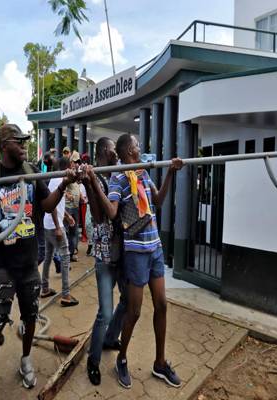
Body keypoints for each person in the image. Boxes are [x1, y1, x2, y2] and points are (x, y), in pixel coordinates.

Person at [0, 124, 78, 399]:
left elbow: (48, 205)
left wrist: (64, 184)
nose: (24, 146)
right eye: (19, 142)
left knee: (30, 317)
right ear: (5, 145)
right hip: (1, 264)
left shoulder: (30, 172)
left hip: (29, 263)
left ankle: (26, 358)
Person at [89, 133, 183, 389]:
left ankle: (160, 363)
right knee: (135, 311)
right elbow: (110, 212)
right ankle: (121, 358)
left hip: (155, 248)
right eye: (138, 145)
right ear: (129, 150)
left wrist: (172, 173)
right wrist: (93, 182)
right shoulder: (119, 177)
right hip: (135, 252)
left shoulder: (142, 172)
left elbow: (158, 201)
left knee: (162, 305)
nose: (140, 148)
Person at [81, 137, 127, 386]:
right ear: (102, 152)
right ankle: (93, 361)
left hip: (123, 254)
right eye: (112, 151)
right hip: (105, 257)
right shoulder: (95, 179)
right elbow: (100, 217)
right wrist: (91, 184)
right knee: (105, 312)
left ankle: (110, 338)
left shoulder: (117, 176)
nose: (115, 155)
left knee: (129, 300)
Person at [41, 156, 79, 306]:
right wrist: (58, 226)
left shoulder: (56, 179)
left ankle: (44, 288)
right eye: (71, 165)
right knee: (65, 258)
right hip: (53, 226)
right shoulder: (59, 181)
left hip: (48, 224)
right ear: (67, 166)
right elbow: (53, 207)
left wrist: (67, 216)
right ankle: (66, 294)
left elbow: (57, 203)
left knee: (48, 256)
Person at [65, 150, 81, 262]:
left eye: (78, 162)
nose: (76, 164)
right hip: (68, 208)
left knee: (74, 231)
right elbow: (61, 186)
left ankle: (71, 253)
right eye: (75, 161)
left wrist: (81, 196)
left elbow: (77, 187)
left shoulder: (77, 173)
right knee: (67, 231)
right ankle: (66, 255)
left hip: (75, 207)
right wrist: (67, 194)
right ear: (71, 162)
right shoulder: (67, 172)